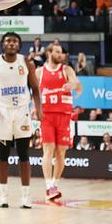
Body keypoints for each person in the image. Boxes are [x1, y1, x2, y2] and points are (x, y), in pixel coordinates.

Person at [0, 32, 42, 209]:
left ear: (19, 45)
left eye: (14, 41)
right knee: (3, 155)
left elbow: (35, 89)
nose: (11, 44)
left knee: (24, 154)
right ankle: (3, 196)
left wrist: (38, 109)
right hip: (3, 112)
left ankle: (26, 197)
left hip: (22, 111)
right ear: (2, 44)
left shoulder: (26, 62)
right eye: (8, 41)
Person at [38, 43, 82, 202]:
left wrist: (72, 85)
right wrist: (33, 108)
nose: (60, 55)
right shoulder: (39, 72)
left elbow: (77, 86)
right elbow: (34, 93)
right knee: (48, 150)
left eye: (61, 52)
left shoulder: (67, 69)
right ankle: (49, 187)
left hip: (64, 115)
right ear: (49, 53)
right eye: (57, 52)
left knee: (61, 153)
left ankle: (55, 184)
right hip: (47, 115)